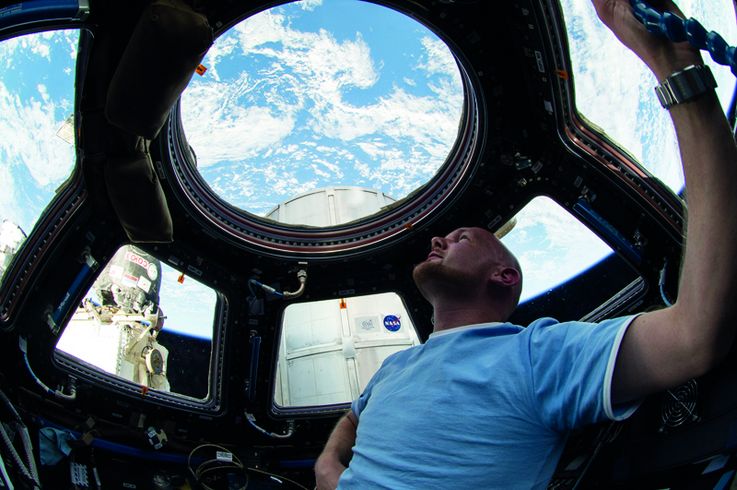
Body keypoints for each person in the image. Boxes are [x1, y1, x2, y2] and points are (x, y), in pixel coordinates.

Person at [314, 0, 737, 487]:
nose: (438, 237)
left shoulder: (538, 356)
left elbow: (695, 336)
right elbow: (352, 418)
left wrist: (678, 69)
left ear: (504, 276)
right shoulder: (394, 368)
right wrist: (329, 466)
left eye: (461, 237)